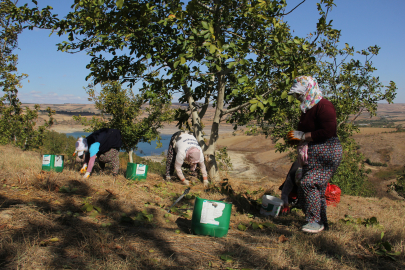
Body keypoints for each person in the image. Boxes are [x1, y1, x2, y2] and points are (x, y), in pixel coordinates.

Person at [286, 76, 342, 233]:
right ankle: (323, 224)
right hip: (313, 152)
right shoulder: (307, 108)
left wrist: (303, 136)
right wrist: (297, 137)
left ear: (309, 89)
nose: (297, 97)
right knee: (315, 189)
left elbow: (328, 131)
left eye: (299, 94)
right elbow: (308, 131)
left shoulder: (324, 106)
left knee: (308, 183)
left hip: (327, 152)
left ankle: (314, 221)